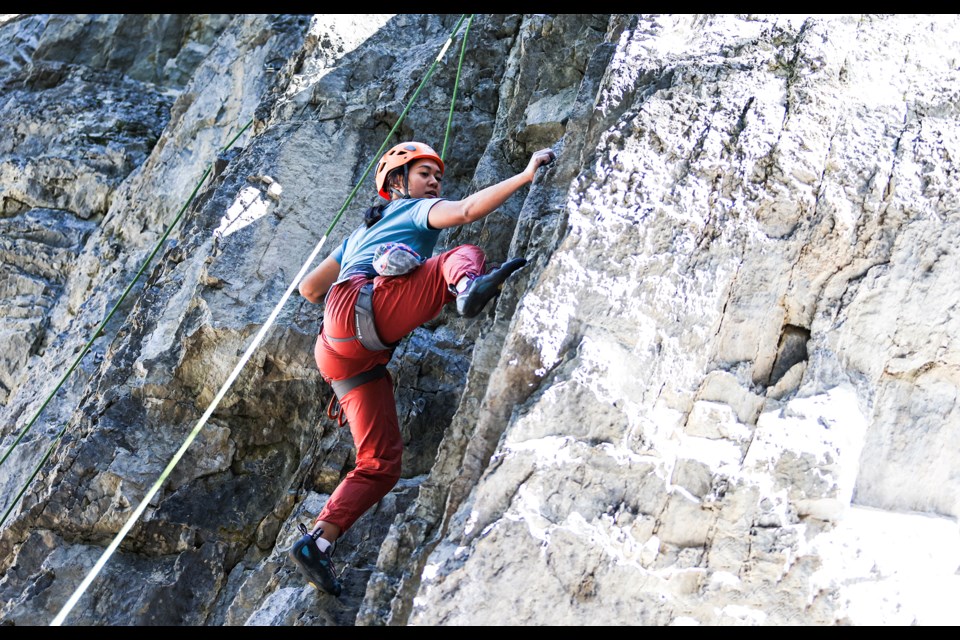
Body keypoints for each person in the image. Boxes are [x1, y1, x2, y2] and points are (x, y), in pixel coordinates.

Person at [289, 141, 555, 596]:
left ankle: (319, 541)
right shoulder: (414, 210)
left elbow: (310, 289)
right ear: (397, 183)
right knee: (460, 253)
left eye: (436, 176)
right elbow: (468, 210)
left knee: (380, 463)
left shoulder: (357, 236)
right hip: (364, 314)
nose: (434, 182)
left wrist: (364, 273)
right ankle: (467, 287)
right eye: (424, 174)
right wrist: (528, 175)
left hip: (339, 350)